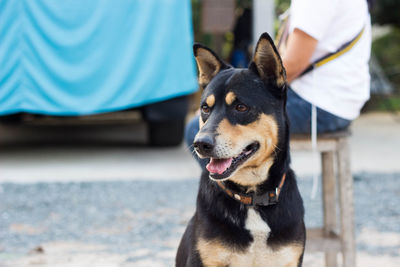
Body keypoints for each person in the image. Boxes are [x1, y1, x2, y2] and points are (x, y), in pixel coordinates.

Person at [185, 0, 371, 151]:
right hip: (334, 101)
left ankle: (238, 195)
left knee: (198, 127)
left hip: (318, 104)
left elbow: (293, 65)